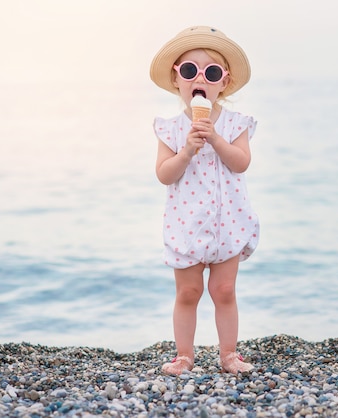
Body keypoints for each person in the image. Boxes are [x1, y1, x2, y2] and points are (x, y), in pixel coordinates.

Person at [149, 26, 259, 375]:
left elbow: (241, 163)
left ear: (223, 82)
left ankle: (229, 354)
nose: (200, 78)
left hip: (228, 223)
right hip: (187, 224)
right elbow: (164, 173)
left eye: (211, 72)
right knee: (189, 293)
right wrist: (186, 151)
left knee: (224, 290)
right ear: (177, 79)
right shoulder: (169, 128)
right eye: (189, 70)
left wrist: (215, 140)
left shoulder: (235, 124)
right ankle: (184, 355)